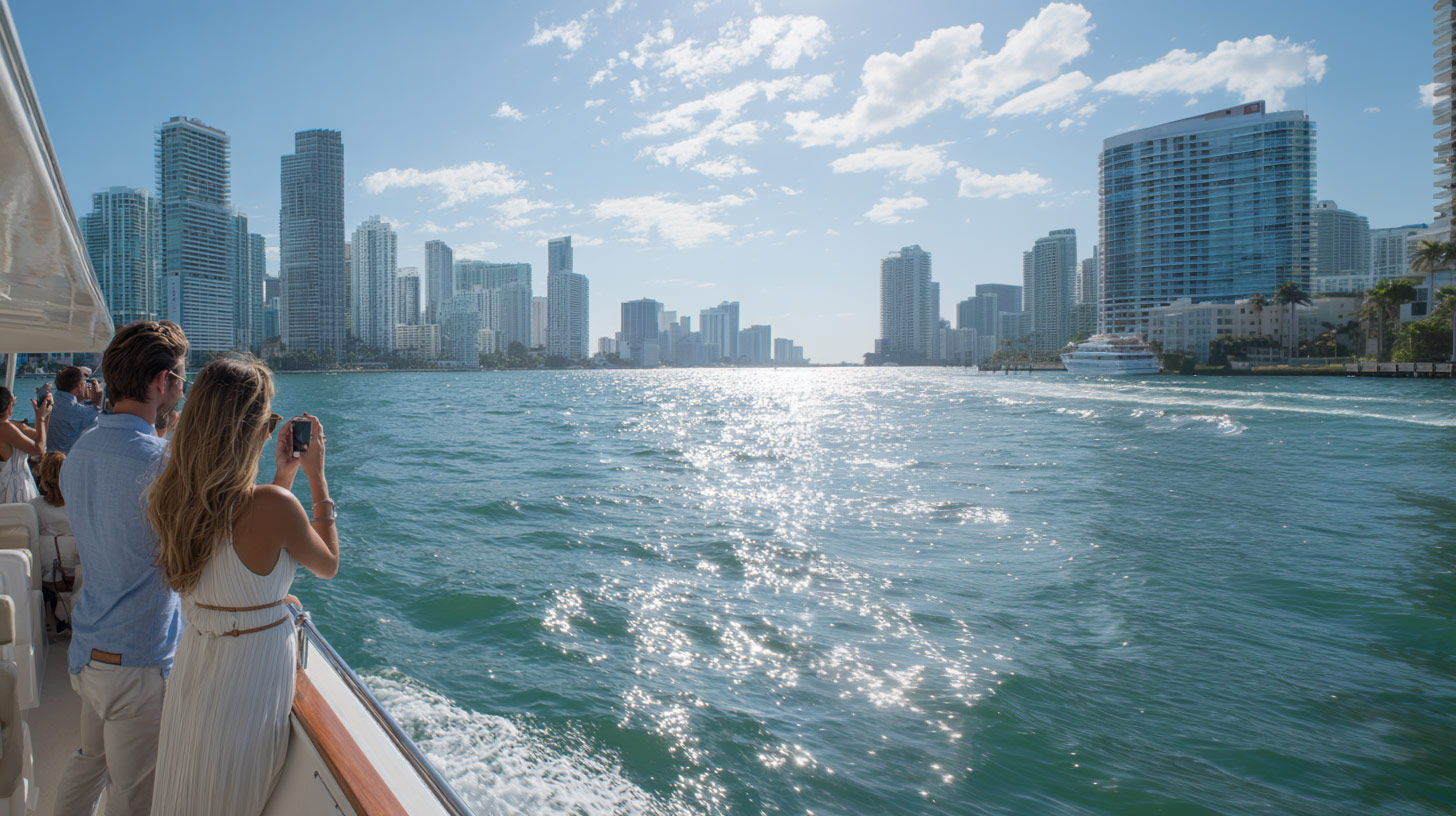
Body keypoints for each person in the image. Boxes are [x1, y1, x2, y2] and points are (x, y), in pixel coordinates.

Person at [148, 356, 338, 816]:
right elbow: (328, 563)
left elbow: (241, 548)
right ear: (249, 428)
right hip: (246, 683)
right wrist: (316, 478)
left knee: (185, 788)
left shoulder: (172, 496)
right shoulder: (272, 505)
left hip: (194, 668)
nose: (271, 432)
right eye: (269, 419)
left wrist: (283, 479)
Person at [54, 320, 189, 816]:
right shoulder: (163, 463)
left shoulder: (77, 453)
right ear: (160, 382)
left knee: (88, 761)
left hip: (89, 649)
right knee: (132, 795)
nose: (180, 387)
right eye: (180, 378)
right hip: (137, 662)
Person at [31, 452, 77, 632]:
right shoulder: (78, 504)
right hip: (77, 576)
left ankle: (51, 619)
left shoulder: (34, 506)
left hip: (49, 578)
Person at [0, 386, 49, 503]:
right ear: (9, 406)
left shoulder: (11, 427)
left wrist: (43, 415)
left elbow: (40, 436)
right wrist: (40, 418)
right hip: (13, 490)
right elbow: (38, 449)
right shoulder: (6, 428)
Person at [47, 365, 103, 454]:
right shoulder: (78, 411)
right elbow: (100, 419)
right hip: (66, 460)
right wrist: (97, 401)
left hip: (48, 458)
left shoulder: (50, 403)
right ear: (80, 386)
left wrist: (78, 400)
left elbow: (69, 411)